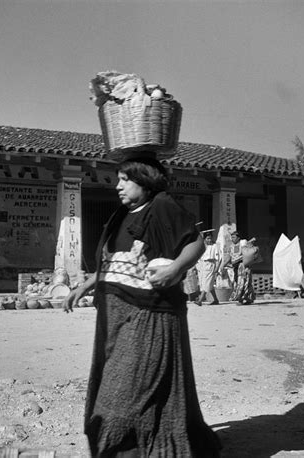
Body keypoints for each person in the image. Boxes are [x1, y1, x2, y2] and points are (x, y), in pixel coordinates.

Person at [63, 156, 221, 457]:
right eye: (118, 179)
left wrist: (175, 269)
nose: (118, 186)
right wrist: (86, 284)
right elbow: (116, 261)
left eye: (125, 179)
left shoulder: (161, 206)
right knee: (121, 387)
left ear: (145, 180)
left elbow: (196, 243)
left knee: (120, 395)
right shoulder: (122, 215)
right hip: (113, 317)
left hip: (148, 316)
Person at [195, 230, 221, 305]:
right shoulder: (202, 246)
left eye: (210, 238)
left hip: (210, 264)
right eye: (207, 238)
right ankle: (216, 299)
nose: (209, 240)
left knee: (207, 282)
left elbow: (218, 258)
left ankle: (200, 299)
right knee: (207, 283)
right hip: (202, 264)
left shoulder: (215, 246)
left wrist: (217, 267)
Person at [230, 237, 258, 305]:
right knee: (247, 284)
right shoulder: (244, 251)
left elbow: (236, 259)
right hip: (245, 268)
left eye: (234, 237)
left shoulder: (243, 251)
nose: (232, 239)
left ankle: (241, 299)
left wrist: (234, 261)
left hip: (243, 269)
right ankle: (249, 298)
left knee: (242, 283)